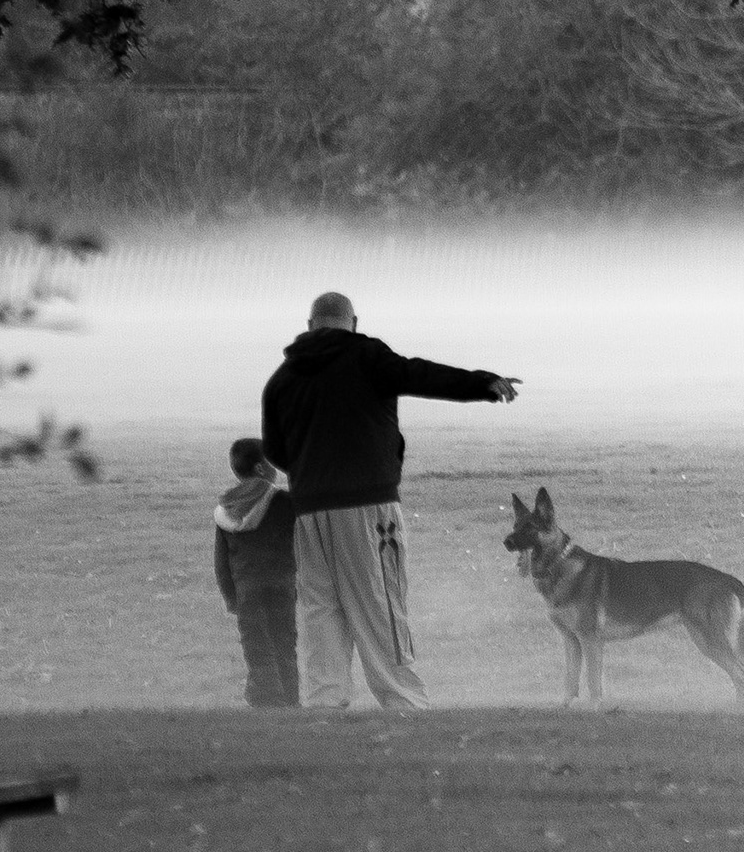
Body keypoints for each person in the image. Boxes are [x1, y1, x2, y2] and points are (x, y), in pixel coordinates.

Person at [259, 291, 519, 709]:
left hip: (308, 511)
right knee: (380, 599)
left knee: (320, 607)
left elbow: (274, 450)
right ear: (354, 322)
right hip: (370, 508)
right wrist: (482, 383)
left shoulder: (282, 379)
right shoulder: (366, 357)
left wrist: (310, 474)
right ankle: (404, 704)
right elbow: (420, 375)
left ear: (310, 325)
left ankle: (325, 703)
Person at [211, 436, 298, 709]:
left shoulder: (226, 510)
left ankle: (267, 701)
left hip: (246, 590)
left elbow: (221, 562)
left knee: (257, 648)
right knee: (285, 644)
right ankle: (290, 702)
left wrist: (230, 598)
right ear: (261, 468)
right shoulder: (285, 502)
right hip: (283, 586)